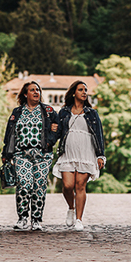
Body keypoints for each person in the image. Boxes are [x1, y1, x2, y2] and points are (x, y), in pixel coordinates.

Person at [47, 80, 105, 231]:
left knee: (80, 186)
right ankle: (71, 208)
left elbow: (99, 135)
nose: (84, 92)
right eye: (81, 90)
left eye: (85, 90)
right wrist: (50, 135)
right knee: (67, 185)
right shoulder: (64, 112)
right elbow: (58, 133)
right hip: (68, 152)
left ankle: (79, 220)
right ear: (74, 93)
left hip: (86, 152)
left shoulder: (92, 113)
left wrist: (100, 155)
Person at [1, 82, 53, 230]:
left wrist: (51, 140)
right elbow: (9, 134)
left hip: (42, 155)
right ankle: (23, 218)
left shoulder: (48, 111)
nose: (36, 92)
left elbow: (58, 128)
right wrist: (6, 153)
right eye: (32, 90)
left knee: (39, 186)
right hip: (21, 154)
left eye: (38, 90)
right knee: (24, 184)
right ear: (25, 94)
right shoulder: (17, 112)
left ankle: (36, 219)